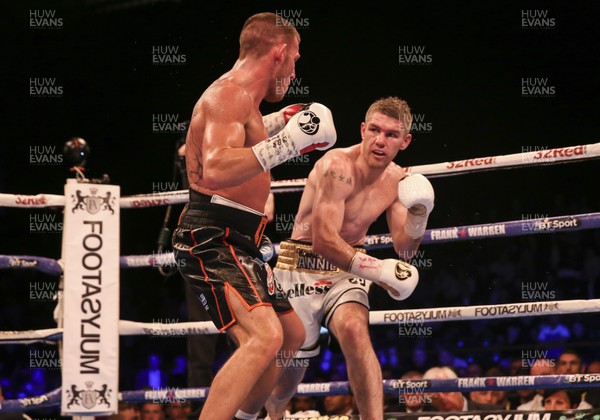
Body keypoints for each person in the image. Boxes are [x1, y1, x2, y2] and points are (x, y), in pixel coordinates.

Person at [171, 12, 337, 420]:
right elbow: (216, 166)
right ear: (280, 53)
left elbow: (234, 136)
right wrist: (287, 142)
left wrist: (278, 123)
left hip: (239, 238)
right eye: (295, 59)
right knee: (265, 337)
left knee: (291, 335)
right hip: (211, 235)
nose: (295, 70)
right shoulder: (228, 95)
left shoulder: (242, 102)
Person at [265, 96, 434, 419]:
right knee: (291, 369)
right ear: (362, 129)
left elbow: (405, 249)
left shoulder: (397, 181)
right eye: (374, 130)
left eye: (391, 135)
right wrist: (377, 270)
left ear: (405, 141)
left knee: (356, 331)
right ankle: (273, 413)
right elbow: (323, 240)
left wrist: (418, 215)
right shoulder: (335, 166)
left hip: (347, 270)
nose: (380, 141)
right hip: (298, 265)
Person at [423, 366, 502, 412]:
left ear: (458, 388)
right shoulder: (427, 417)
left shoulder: (493, 412)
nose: (443, 399)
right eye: (436, 396)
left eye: (446, 391)